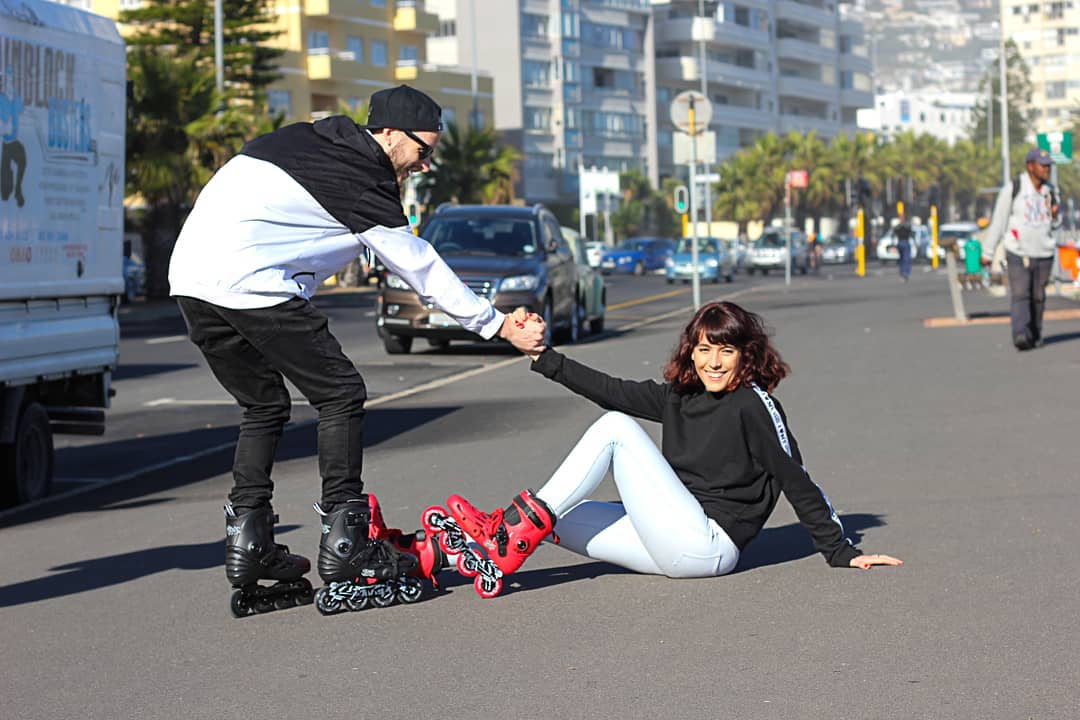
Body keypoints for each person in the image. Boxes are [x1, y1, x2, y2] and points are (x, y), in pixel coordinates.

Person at [168, 84, 544, 614]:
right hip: (250, 284)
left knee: (264, 406)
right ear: (389, 134)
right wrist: (498, 325)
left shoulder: (310, 142)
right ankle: (346, 545)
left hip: (191, 282)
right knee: (341, 393)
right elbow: (419, 265)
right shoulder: (361, 175)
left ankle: (249, 546)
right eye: (423, 150)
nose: (425, 164)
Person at [444, 301, 902, 582]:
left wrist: (841, 552)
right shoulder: (680, 396)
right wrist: (542, 355)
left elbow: (795, 478)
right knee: (562, 513)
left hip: (708, 546)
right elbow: (611, 390)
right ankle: (456, 552)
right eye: (704, 350)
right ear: (691, 353)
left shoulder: (753, 404)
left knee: (616, 429)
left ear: (746, 356)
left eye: (726, 351)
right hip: (668, 540)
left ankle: (507, 536)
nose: (714, 363)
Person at [982, 147, 1059, 351]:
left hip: (1044, 252)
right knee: (1021, 293)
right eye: (1042, 165)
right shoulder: (1014, 188)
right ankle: (1020, 334)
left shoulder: (1050, 191)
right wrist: (988, 252)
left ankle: (1035, 332)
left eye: (1048, 166)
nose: (1046, 169)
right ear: (1030, 166)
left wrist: (1055, 215)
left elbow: (1054, 224)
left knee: (1038, 296)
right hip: (1018, 252)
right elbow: (999, 222)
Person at [893, 214, 913, 282]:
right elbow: (910, 232)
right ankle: (904, 273)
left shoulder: (898, 226)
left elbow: (894, 232)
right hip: (903, 242)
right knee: (904, 259)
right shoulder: (905, 226)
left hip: (902, 242)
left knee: (904, 259)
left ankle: (904, 273)